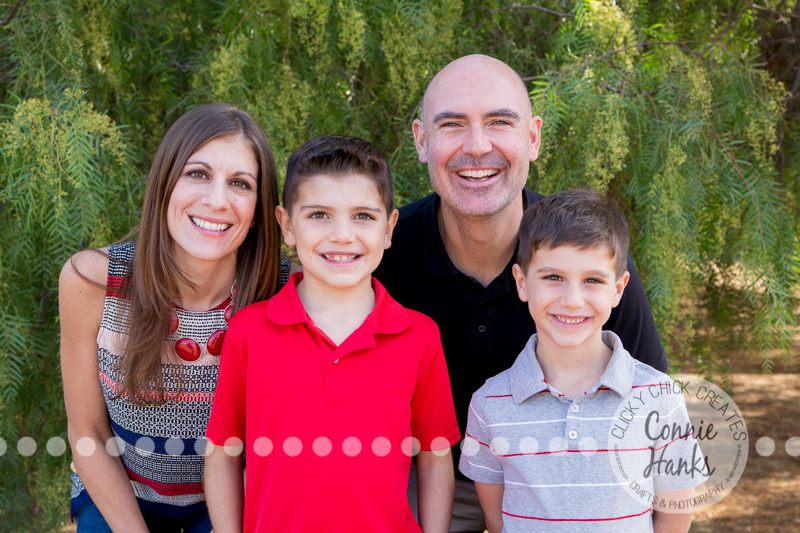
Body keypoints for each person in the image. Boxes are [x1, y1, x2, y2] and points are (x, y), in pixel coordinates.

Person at [372, 54, 668, 531]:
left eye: (499, 122)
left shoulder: (586, 262)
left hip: (566, 478)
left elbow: (649, 408)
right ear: (421, 141)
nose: (477, 145)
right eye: (452, 125)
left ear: (532, 138)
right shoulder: (380, 256)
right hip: (426, 478)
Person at [204, 134, 461, 532]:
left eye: (363, 216)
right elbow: (223, 453)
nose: (342, 235)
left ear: (389, 228)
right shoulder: (249, 332)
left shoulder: (419, 336)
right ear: (287, 225)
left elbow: (435, 455)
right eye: (319, 215)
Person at [59, 102, 291, 532]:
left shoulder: (285, 293)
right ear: (165, 182)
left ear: (260, 208)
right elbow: (87, 432)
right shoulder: (91, 282)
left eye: (240, 183)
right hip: (121, 491)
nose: (217, 200)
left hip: (235, 495)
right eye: (197, 173)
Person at [458, 189, 705, 532]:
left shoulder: (660, 397)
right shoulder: (489, 404)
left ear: (618, 289)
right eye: (553, 277)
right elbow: (497, 520)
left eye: (592, 280)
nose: (573, 300)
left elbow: (674, 517)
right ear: (522, 282)